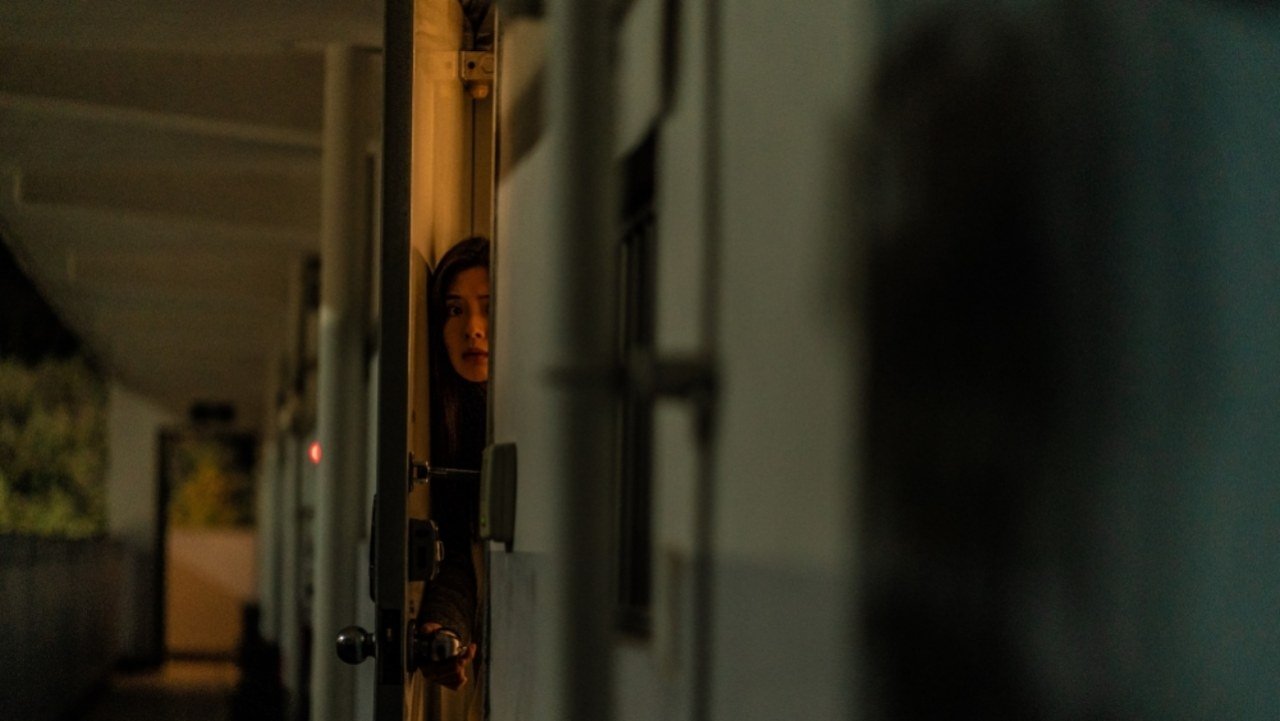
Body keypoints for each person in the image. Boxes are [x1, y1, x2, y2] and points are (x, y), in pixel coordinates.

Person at [418, 235, 489, 690]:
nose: (473, 328)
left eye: (488, 308)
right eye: (454, 310)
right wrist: (444, 628)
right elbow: (457, 551)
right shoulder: (453, 427)